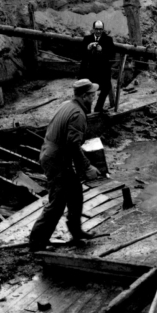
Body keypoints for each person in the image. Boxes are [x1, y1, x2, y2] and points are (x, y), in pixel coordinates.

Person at [28, 79, 102, 252]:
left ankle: (76, 232)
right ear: (85, 96)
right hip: (56, 161)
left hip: (53, 155)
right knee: (57, 203)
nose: (95, 96)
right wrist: (87, 167)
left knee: (75, 192)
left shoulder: (67, 105)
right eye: (93, 94)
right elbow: (72, 145)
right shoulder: (78, 114)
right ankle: (36, 244)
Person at [80, 20, 115, 113]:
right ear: (93, 29)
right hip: (89, 70)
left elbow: (111, 55)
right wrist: (88, 48)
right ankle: (87, 110)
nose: (98, 31)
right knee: (88, 90)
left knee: (106, 88)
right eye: (96, 29)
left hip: (102, 70)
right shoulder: (87, 39)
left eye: (100, 29)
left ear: (103, 29)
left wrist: (102, 51)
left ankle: (98, 108)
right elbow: (81, 55)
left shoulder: (108, 40)